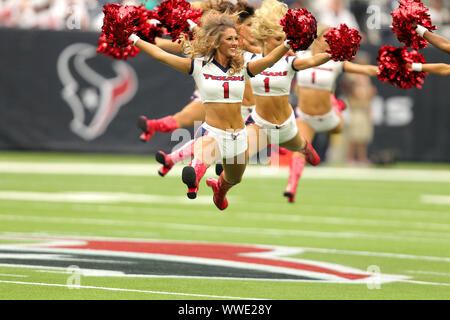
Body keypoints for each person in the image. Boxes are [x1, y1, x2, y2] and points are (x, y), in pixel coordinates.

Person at [129, 11, 295, 210]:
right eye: (229, 39)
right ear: (217, 42)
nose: (235, 43)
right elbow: (161, 55)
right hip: (213, 132)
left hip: (239, 136)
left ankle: (219, 191)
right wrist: (132, 38)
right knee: (201, 160)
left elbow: (268, 61)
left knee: (234, 178)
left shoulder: (242, 68)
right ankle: (194, 177)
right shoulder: (198, 66)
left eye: (236, 38)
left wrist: (288, 44)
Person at [151, 0, 261, 177]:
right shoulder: (227, 48)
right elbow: (187, 44)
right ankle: (191, 166)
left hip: (248, 114)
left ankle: (172, 158)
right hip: (228, 108)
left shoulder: (252, 48)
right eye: (248, 25)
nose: (252, 29)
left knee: (224, 150)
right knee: (212, 141)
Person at [284, 24, 379, 203]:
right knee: (299, 151)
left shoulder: (335, 62)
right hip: (305, 115)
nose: (330, 43)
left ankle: (337, 105)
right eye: (327, 38)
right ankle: (291, 186)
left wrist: (389, 69)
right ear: (317, 39)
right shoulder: (300, 57)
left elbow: (364, 69)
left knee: (337, 129)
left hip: (329, 116)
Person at [244, 0, 332, 173]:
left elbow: (313, 60)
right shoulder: (250, 59)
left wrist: (332, 53)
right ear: (263, 38)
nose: (284, 44)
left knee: (298, 144)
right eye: (278, 39)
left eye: (286, 39)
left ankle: (307, 149)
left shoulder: (289, 61)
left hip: (285, 123)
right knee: (240, 155)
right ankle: (221, 187)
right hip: (259, 122)